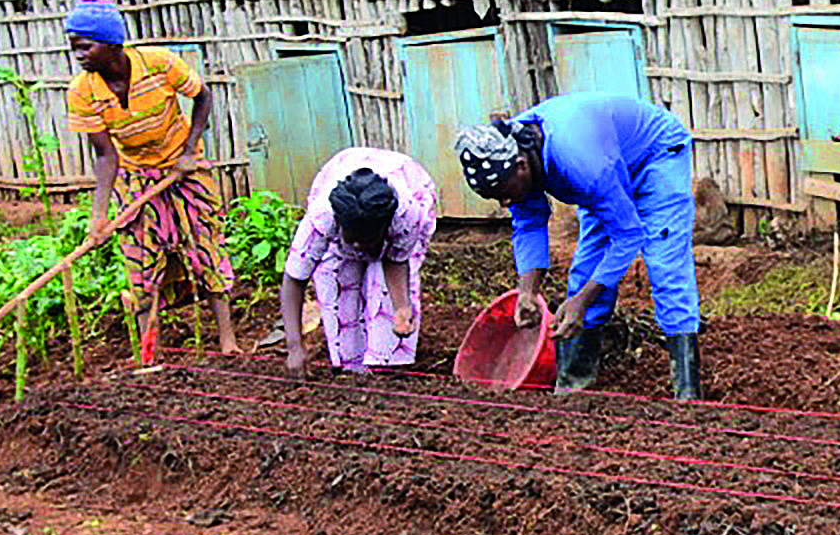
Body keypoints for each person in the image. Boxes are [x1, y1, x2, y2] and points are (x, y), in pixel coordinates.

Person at [453, 93, 701, 397]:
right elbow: (529, 223)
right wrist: (528, 292)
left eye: (504, 193)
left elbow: (627, 235)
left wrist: (581, 302)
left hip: (654, 154)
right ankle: (574, 388)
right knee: (586, 270)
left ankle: (688, 395)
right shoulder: (513, 149)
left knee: (665, 264)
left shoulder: (580, 162)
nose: (505, 203)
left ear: (520, 166)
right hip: (606, 165)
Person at [63, 0, 238, 357]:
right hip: (135, 173)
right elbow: (105, 155)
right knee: (141, 261)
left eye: (84, 46)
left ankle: (228, 342)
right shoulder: (82, 91)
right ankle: (148, 353)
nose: (78, 55)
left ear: (112, 44)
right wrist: (99, 216)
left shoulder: (158, 63)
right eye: (74, 47)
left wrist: (189, 151)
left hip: (181, 167)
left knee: (206, 246)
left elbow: (202, 96)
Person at [279, 148, 439, 376]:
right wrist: (294, 347)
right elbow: (295, 279)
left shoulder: (406, 215)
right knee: (338, 283)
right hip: (343, 182)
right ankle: (351, 365)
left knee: (383, 296)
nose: (357, 247)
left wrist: (401, 308)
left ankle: (387, 365)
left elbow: (397, 260)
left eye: (366, 241)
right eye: (351, 240)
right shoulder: (323, 217)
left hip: (405, 182)